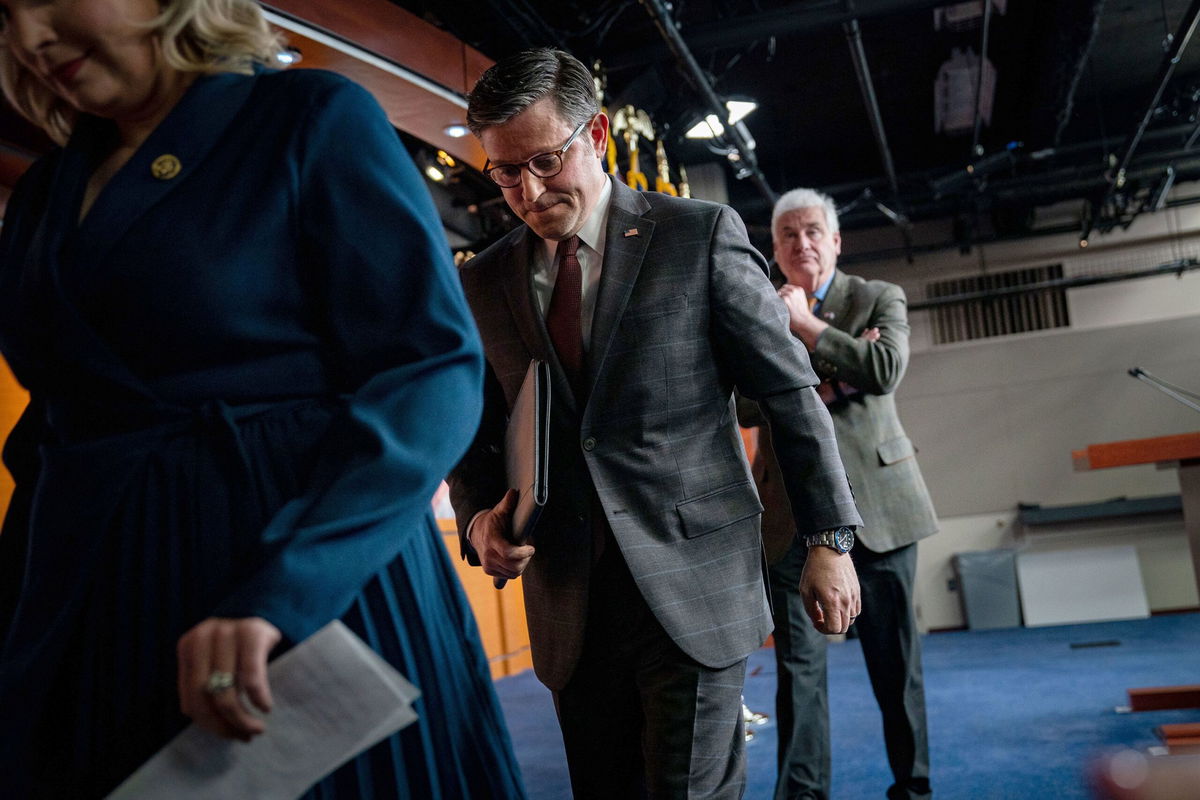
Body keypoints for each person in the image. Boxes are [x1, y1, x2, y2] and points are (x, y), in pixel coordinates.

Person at [0, 1, 526, 798]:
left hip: (308, 595)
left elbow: (431, 372)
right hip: (101, 607)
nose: (29, 39)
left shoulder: (305, 116)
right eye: (5, 16)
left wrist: (287, 589)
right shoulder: (45, 193)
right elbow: (49, 431)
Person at [447, 48, 863, 800]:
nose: (529, 191)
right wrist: (479, 518)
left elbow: (790, 394)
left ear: (597, 133)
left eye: (545, 160)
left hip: (693, 583)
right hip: (569, 597)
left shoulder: (697, 236)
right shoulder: (481, 282)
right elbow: (473, 430)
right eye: (505, 173)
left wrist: (829, 541)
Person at [743, 187, 938, 800]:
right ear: (774, 248)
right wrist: (838, 365)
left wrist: (803, 328)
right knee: (798, 673)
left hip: (883, 506)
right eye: (789, 235)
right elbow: (747, 402)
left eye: (812, 231)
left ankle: (914, 787)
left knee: (895, 668)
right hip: (790, 517)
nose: (802, 243)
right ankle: (802, 795)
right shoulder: (754, 308)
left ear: (835, 240)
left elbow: (884, 372)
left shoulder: (879, 296)